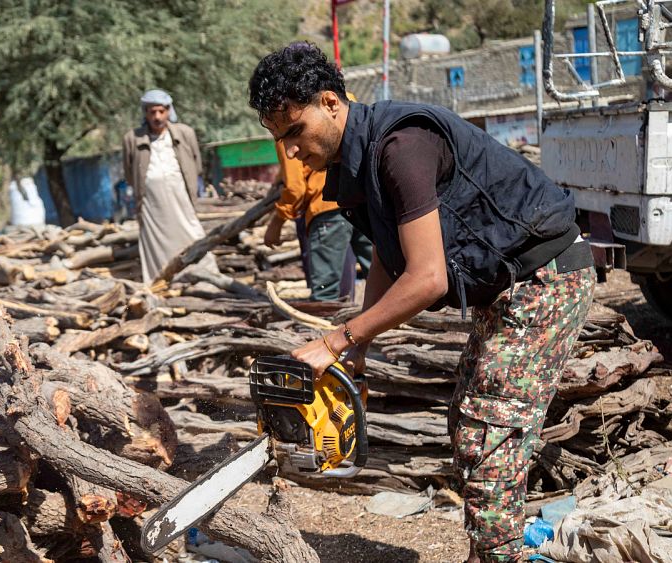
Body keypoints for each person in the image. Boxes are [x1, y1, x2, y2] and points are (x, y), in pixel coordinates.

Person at [249, 43, 595, 562]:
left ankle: (498, 556)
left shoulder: (401, 146)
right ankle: (491, 550)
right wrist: (358, 348)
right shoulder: (353, 164)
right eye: (279, 139)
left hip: (545, 277)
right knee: (468, 420)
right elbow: (391, 257)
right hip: (507, 285)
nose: (290, 150)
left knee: (490, 429)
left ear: (330, 102)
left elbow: (428, 277)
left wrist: (336, 339)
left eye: (294, 131)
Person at [122, 89, 218, 284]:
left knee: (191, 233)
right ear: (145, 113)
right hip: (151, 204)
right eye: (152, 112)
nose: (157, 117)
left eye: (161, 111)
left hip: (181, 197)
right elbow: (129, 173)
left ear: (168, 111)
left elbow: (196, 164)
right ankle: (162, 283)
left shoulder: (184, 133)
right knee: (155, 243)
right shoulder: (132, 139)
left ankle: (205, 277)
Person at [266, 138, 372, 301]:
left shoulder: (287, 138)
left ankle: (326, 323)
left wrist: (276, 223)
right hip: (361, 203)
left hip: (327, 211)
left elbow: (295, 189)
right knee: (381, 274)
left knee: (325, 291)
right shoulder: (333, 122)